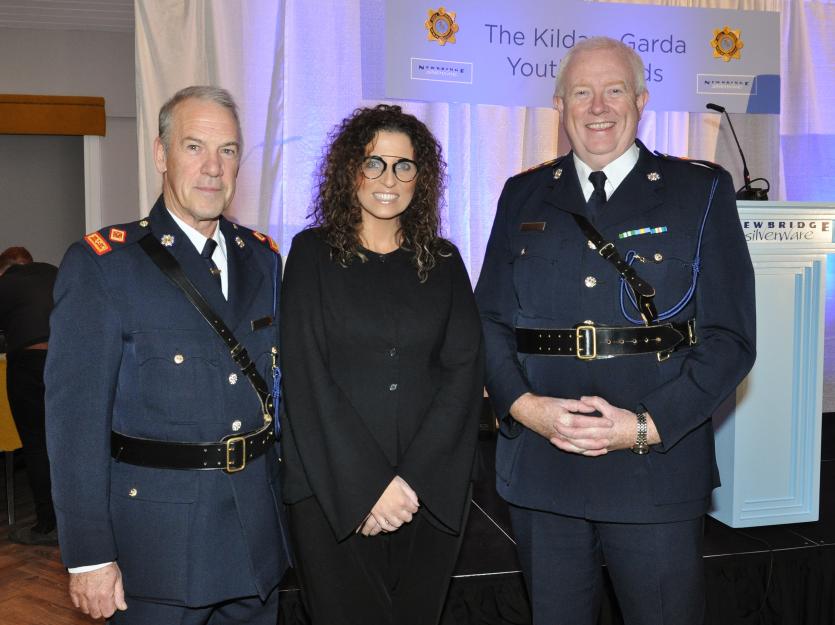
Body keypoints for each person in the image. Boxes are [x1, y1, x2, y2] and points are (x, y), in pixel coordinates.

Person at [475, 37, 756, 625]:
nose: (597, 106)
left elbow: (730, 339)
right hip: (545, 470)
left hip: (654, 471)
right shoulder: (522, 193)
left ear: (642, 100)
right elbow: (489, 321)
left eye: (614, 90)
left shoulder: (698, 192)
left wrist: (645, 427)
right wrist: (527, 409)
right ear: (560, 106)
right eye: (582, 92)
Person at [45, 86, 290, 624]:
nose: (212, 168)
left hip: (254, 538)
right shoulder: (106, 266)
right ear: (161, 154)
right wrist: (89, 556)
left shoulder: (264, 259)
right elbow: (74, 423)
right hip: (157, 550)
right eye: (194, 147)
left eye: (227, 151)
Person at [280, 104, 483, 625]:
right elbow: (307, 379)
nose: (388, 179)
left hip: (428, 492)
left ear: (422, 176)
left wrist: (409, 482)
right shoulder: (310, 254)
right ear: (351, 170)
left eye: (403, 166)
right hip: (330, 490)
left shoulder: (444, 261)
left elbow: (464, 374)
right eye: (374, 163)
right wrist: (368, 487)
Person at [0, 246, 58, 545]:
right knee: (67, 443)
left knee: (35, 444)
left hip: (28, 363)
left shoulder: (4, 282)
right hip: (66, 362)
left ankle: (47, 526)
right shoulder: (53, 272)